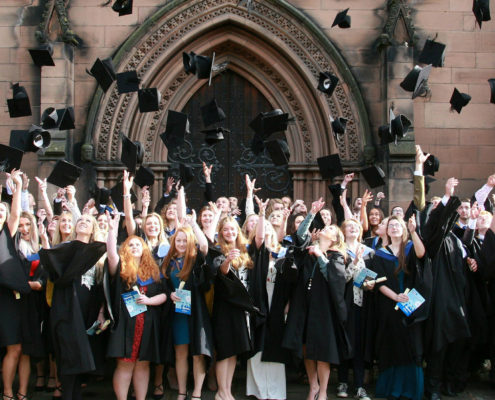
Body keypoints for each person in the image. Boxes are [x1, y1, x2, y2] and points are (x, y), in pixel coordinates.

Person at [283, 198, 349, 400]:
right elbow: (299, 235)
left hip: (323, 309)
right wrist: (311, 213)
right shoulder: (310, 249)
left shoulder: (336, 256)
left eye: (329, 229)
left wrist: (321, 256)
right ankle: (313, 385)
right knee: (306, 347)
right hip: (305, 304)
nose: (324, 229)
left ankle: (323, 391)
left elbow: (334, 278)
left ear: (335, 239)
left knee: (322, 351)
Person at [39, 213, 107, 400]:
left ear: (93, 229)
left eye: (88, 221)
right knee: (69, 357)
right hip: (67, 310)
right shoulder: (65, 248)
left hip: (88, 313)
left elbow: (102, 288)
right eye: (81, 220)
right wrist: (44, 240)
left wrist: (101, 313)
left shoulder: (98, 254)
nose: (83, 222)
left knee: (81, 361)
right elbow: (52, 271)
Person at [106, 213, 167, 400]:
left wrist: (148, 301)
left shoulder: (154, 271)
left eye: (138, 245)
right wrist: (112, 230)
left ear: (144, 249)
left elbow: (164, 294)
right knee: (125, 363)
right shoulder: (121, 268)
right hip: (126, 324)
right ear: (125, 249)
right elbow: (111, 255)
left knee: (143, 364)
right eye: (130, 245)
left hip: (148, 323)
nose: (134, 247)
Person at [372, 215, 427, 400]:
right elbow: (378, 282)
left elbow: (421, 254)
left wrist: (413, 232)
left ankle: (411, 389)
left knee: (411, 345)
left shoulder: (410, 247)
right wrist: (395, 297)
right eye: (391, 225)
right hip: (389, 305)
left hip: (412, 304)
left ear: (403, 229)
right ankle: (393, 388)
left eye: (398, 225)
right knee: (392, 346)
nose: (394, 228)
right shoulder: (380, 253)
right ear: (387, 231)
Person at [211, 215, 262, 400]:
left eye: (232, 229)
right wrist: (227, 261)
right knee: (225, 351)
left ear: (238, 231)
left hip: (241, 308)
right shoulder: (216, 250)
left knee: (234, 352)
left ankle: (227, 390)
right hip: (225, 306)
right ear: (220, 232)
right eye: (225, 229)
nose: (229, 232)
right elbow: (220, 272)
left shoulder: (245, 250)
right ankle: (221, 391)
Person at [162, 215, 211, 400]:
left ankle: (197, 393)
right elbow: (164, 286)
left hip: (196, 312)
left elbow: (204, 246)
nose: (181, 244)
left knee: (198, 353)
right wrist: (169, 294)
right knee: (180, 353)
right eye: (179, 240)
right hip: (178, 314)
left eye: (185, 240)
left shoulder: (195, 259)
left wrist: (193, 225)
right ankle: (182, 392)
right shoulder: (168, 262)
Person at [0, 169, 32, 400]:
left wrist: (18, 186)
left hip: (7, 298)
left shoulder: (6, 234)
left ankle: (8, 392)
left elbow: (15, 213)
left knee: (15, 346)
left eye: (2, 211)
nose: (0, 213)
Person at [337, 219, 375, 400]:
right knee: (345, 342)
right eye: (349, 226)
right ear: (343, 231)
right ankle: (342, 381)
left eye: (356, 226)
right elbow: (340, 279)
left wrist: (370, 284)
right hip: (345, 303)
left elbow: (371, 277)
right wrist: (355, 261)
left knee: (360, 343)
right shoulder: (339, 251)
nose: (353, 228)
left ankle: (359, 385)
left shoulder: (369, 252)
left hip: (363, 304)